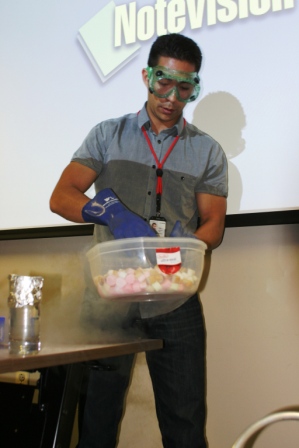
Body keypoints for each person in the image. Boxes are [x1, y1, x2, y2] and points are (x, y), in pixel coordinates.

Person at [50, 33, 228, 448]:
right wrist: (106, 211)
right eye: (163, 81)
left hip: (175, 297)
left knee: (185, 426)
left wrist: (186, 248)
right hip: (107, 298)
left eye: (185, 86)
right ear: (147, 75)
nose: (172, 95)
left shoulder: (207, 151)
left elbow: (214, 224)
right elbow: (61, 197)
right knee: (95, 421)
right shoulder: (108, 135)